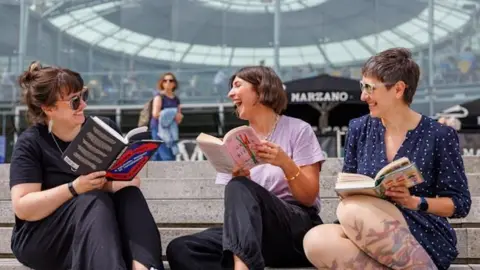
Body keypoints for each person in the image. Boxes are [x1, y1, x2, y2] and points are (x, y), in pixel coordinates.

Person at [303, 48, 471, 270]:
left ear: (399, 89)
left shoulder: (439, 135)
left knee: (352, 210)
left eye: (370, 88)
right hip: (365, 226)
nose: (363, 96)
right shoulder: (359, 128)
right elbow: (348, 183)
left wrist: (414, 201)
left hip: (420, 230)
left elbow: (460, 204)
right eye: (363, 86)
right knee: (315, 240)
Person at [166, 66, 325, 270]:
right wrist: (240, 179)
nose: (230, 94)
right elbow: (239, 210)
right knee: (182, 248)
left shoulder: (298, 129)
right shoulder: (236, 139)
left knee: (239, 186)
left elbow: (309, 197)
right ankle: (245, 262)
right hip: (253, 234)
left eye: (237, 85)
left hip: (296, 229)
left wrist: (286, 163)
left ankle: (243, 266)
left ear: (261, 89)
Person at [9, 61, 164, 270]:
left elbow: (131, 182)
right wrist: (75, 188)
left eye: (84, 96)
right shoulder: (31, 142)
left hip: (100, 231)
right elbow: (24, 207)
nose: (83, 105)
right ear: (48, 108)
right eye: (74, 101)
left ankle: (144, 267)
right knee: (92, 199)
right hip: (44, 237)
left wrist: (107, 182)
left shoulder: (103, 129)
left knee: (129, 193)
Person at [150, 72, 183, 161]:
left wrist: (178, 116)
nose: (168, 82)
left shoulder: (176, 99)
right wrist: (172, 113)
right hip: (158, 129)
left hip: (171, 131)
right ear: (162, 83)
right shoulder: (159, 97)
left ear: (174, 83)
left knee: (168, 154)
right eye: (165, 80)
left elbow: (178, 118)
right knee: (165, 155)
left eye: (170, 80)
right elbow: (155, 114)